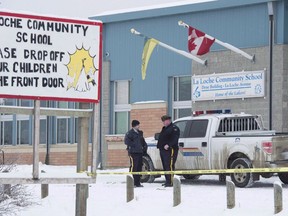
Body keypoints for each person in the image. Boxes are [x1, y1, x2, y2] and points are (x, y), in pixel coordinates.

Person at [157, 115, 180, 187]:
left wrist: (168, 145)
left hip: (170, 149)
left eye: (164, 121)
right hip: (163, 150)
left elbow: (175, 139)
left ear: (168, 120)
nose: (163, 123)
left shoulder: (174, 128)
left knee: (169, 165)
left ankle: (171, 181)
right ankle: (167, 181)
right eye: (163, 121)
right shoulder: (165, 128)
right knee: (165, 165)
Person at [124, 120, 147, 187]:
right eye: (137, 125)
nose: (139, 126)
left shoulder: (140, 133)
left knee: (139, 166)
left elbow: (142, 141)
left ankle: (138, 182)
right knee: (134, 166)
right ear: (134, 126)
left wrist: (144, 147)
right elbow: (126, 141)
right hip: (133, 153)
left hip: (140, 152)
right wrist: (135, 145)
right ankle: (132, 182)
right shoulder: (130, 133)